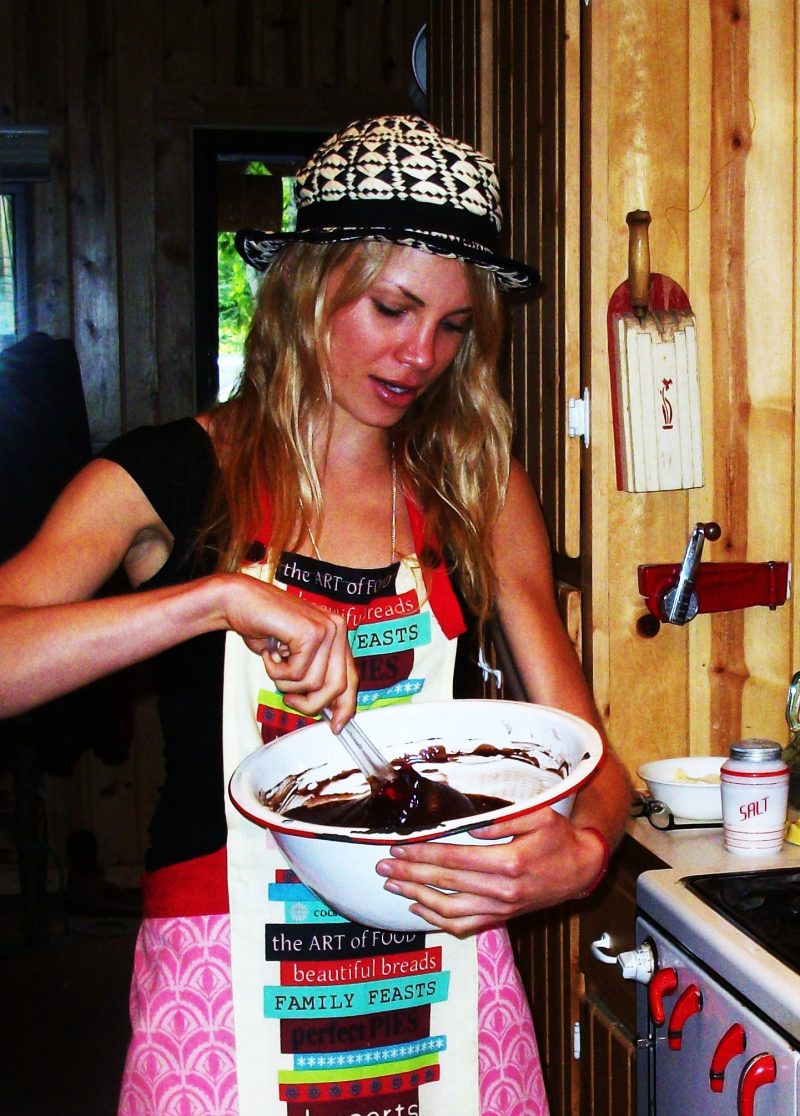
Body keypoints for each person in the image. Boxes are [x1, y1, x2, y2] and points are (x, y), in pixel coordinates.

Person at [0, 115, 630, 1116]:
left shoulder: (474, 486)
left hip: (446, 974)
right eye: (391, 308)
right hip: (225, 976)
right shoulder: (163, 476)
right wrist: (208, 599)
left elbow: (589, 765)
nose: (420, 353)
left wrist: (576, 858)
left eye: (452, 324)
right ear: (307, 288)